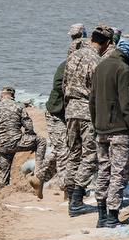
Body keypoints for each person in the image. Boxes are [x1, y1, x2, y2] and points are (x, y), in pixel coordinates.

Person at [61, 24, 115, 217]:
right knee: (90, 156)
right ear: (107, 43)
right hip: (85, 111)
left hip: (70, 110)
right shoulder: (97, 61)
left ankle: (69, 194)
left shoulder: (73, 56)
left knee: (74, 153)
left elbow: (64, 84)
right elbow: (98, 92)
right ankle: (76, 200)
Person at [91, 35, 129, 227]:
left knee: (103, 170)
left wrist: (96, 124)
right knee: (119, 173)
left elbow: (92, 101)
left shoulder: (100, 67)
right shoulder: (124, 70)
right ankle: (112, 217)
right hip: (119, 130)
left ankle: (101, 216)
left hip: (101, 129)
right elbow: (126, 104)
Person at [32, 24, 90, 199]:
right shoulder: (65, 66)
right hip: (57, 114)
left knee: (65, 151)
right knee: (65, 152)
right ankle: (67, 192)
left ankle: (39, 178)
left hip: (70, 115)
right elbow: (59, 85)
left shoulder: (82, 65)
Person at [0, 86, 46, 188]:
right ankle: (38, 174)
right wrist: (30, 140)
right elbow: (29, 126)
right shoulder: (19, 106)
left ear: (1, 96)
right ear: (13, 96)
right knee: (41, 141)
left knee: (3, 174)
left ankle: (3, 195)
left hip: (0, 146)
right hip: (16, 141)